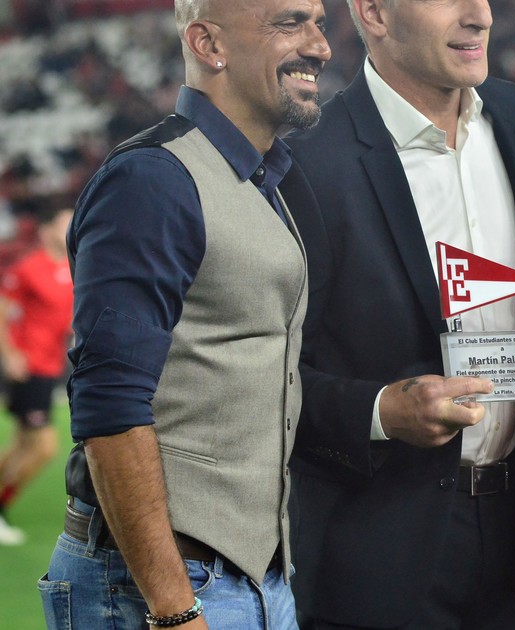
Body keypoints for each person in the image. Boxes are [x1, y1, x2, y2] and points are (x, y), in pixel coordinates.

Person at [275, 0, 515, 627]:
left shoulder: (512, 114)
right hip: (377, 555)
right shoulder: (308, 165)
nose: (480, 15)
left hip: (510, 541)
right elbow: (276, 380)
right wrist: (380, 412)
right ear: (374, 13)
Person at [39, 0, 329, 627]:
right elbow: (109, 403)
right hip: (164, 587)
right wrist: (173, 609)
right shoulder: (153, 178)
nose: (319, 46)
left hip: (256, 577)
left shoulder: (262, 179)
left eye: (318, 23)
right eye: (289, 22)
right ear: (207, 44)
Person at [0, 204, 73, 546]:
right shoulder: (29, 267)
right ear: (46, 231)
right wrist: (9, 354)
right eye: (64, 224)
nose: (70, 229)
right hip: (30, 368)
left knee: (21, 445)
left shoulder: (71, 270)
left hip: (50, 367)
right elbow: (2, 311)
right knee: (44, 447)